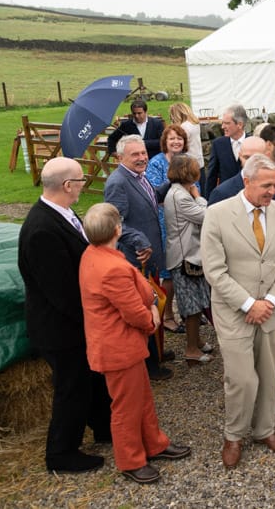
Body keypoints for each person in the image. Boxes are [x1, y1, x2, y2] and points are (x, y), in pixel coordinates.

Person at [78, 203, 191, 484]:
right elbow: (133, 311)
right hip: (119, 348)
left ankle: (154, 443)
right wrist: (153, 315)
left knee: (141, 397)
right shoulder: (111, 267)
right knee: (126, 406)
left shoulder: (93, 254)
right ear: (118, 229)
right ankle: (130, 460)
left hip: (119, 345)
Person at [201, 154, 275, 468]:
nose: (272, 191)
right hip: (234, 313)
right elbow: (214, 271)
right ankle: (234, 435)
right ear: (246, 181)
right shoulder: (216, 214)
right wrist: (248, 304)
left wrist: (269, 301)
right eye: (266, 185)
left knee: (269, 374)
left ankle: (265, 430)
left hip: (270, 310)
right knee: (241, 379)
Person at [17, 157, 112, 473]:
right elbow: (61, 292)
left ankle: (104, 426)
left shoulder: (63, 213)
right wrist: (95, 317)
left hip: (73, 323)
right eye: (81, 180)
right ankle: (61, 453)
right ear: (68, 186)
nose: (84, 184)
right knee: (72, 388)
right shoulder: (42, 229)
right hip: (60, 328)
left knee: (92, 379)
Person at [104, 135, 171, 380]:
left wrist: (173, 181)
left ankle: (157, 351)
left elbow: (152, 198)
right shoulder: (118, 183)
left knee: (154, 303)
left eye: (143, 153)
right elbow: (116, 222)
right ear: (120, 158)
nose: (142, 158)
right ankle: (150, 363)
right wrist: (139, 240)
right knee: (145, 307)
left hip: (150, 254)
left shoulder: (139, 177)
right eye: (135, 155)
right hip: (136, 258)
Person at [163, 154, 213, 364]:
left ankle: (197, 341)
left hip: (190, 256)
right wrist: (199, 196)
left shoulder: (179, 192)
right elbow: (206, 215)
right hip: (185, 259)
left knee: (198, 301)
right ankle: (191, 349)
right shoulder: (181, 196)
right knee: (191, 306)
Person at [146, 124, 191, 333]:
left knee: (188, 269)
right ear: (165, 141)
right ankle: (168, 315)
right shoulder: (156, 164)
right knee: (169, 272)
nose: (176, 142)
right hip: (166, 224)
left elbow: (195, 188)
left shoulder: (188, 161)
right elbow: (156, 197)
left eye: (180, 138)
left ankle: (189, 312)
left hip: (187, 223)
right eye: (172, 138)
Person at [207, 136, 267, 205]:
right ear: (240, 156)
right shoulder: (222, 193)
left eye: (256, 158)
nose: (251, 162)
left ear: (267, 156)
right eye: (246, 157)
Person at [205, 104, 248, 196]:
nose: (222, 127)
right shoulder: (218, 144)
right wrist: (208, 200)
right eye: (222, 123)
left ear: (240, 124)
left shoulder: (253, 143)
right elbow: (212, 175)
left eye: (227, 123)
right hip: (225, 198)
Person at [168, 102, 204, 168]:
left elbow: (179, 147)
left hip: (188, 163)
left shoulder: (183, 127)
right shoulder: (194, 124)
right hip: (198, 160)